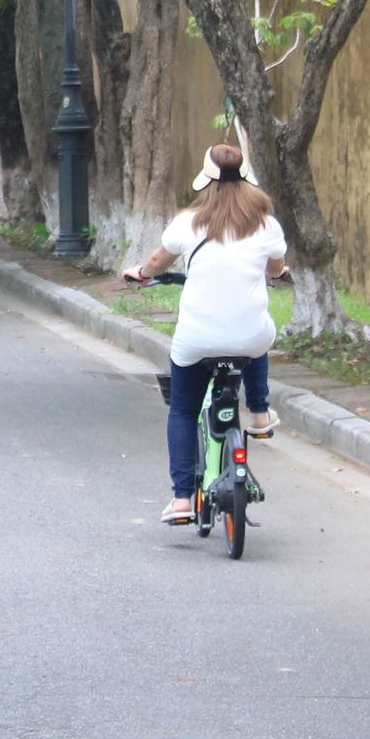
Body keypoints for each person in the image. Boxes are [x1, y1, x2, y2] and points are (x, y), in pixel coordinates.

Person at [121, 143, 287, 525]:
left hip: (197, 340)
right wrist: (276, 273)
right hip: (249, 340)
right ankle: (260, 413)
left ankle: (181, 500)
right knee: (258, 334)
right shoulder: (266, 225)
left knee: (182, 409)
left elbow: (158, 262)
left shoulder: (188, 223)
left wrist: (142, 274)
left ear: (205, 179)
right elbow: (277, 269)